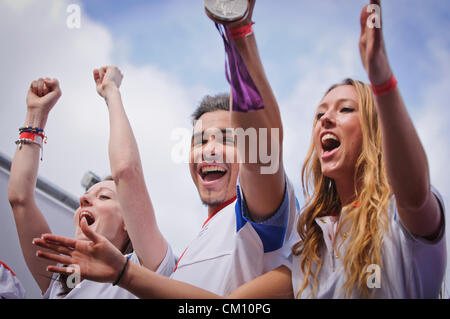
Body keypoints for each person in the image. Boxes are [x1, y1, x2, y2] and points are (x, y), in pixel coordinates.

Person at [34, 0, 446, 299]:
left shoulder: (394, 219)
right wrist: (125, 272)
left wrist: (382, 83)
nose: (324, 119)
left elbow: (264, 150)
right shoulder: (312, 248)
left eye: (345, 109)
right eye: (319, 112)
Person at [33, 0, 299, 297]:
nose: (209, 149)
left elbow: (261, 149)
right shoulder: (182, 259)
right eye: (199, 141)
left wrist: (237, 33)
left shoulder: (261, 217)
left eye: (226, 139)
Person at [8, 68, 174, 298]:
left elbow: (126, 171)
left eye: (104, 197)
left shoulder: (147, 269)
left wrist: (111, 92)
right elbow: (20, 198)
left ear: (130, 221)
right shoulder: (62, 281)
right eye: (87, 196)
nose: (83, 199)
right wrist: (36, 115)